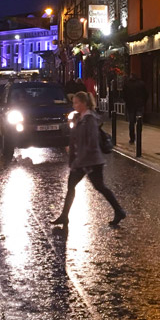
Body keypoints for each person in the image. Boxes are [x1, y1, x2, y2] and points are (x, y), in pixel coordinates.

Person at [52, 91, 126, 227]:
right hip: (82, 160)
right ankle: (64, 216)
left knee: (100, 187)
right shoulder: (81, 118)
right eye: (73, 103)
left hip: (91, 161)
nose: (74, 106)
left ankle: (119, 210)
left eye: (76, 103)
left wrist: (80, 160)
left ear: (84, 103)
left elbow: (91, 142)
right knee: (72, 186)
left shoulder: (90, 119)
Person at [123, 73, 149, 144]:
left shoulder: (127, 84)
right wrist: (143, 102)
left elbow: (124, 95)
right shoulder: (141, 84)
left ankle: (132, 138)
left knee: (131, 122)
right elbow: (146, 94)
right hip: (139, 105)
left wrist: (127, 101)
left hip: (130, 105)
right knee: (139, 120)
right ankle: (138, 135)